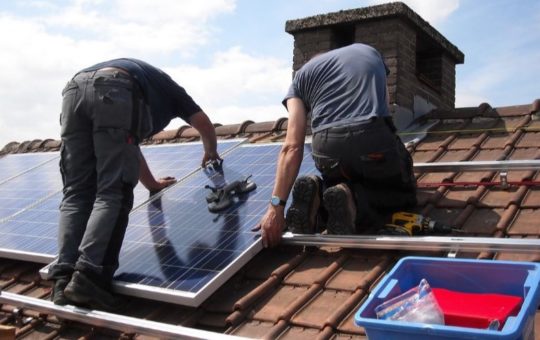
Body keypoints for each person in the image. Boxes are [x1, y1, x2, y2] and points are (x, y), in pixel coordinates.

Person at [49, 58, 221, 310]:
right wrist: (211, 152)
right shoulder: (173, 92)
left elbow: (127, 148)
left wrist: (151, 184)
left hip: (74, 90)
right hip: (114, 88)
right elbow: (204, 124)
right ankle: (89, 278)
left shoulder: (149, 84)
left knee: (76, 193)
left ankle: (62, 281)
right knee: (113, 193)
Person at [258, 43, 417, 248]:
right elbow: (384, 106)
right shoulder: (368, 51)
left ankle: (319, 193)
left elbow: (292, 146)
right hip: (371, 136)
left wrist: (276, 207)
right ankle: (356, 205)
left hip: (327, 148)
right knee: (402, 192)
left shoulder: (300, 78)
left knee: (340, 178)